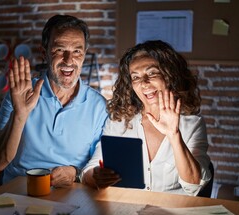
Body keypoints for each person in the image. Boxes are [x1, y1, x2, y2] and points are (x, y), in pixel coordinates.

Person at [0, 15, 108, 187]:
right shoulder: (20, 95)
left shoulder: (99, 107)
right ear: (44, 53)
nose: (68, 60)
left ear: (84, 55)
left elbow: (97, 165)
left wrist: (75, 172)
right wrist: (20, 114)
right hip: (20, 194)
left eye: (77, 51)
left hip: (72, 197)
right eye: (60, 50)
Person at [81, 40, 212, 196]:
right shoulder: (120, 122)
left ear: (170, 75)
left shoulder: (192, 125)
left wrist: (174, 135)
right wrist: (95, 176)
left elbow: (194, 185)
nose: (144, 84)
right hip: (126, 211)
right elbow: (88, 172)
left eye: (152, 73)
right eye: (135, 77)